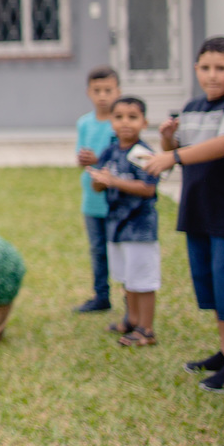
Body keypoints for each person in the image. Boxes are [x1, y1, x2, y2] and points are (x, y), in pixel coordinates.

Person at [144, 35, 224, 393]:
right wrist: (169, 140)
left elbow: (222, 143)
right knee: (213, 288)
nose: (213, 75)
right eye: (206, 67)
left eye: (221, 68)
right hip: (198, 210)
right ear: (195, 69)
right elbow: (183, 150)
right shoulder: (192, 107)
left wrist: (172, 156)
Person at [88, 96, 161, 346]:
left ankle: (146, 329)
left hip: (140, 228)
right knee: (128, 277)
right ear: (111, 122)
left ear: (145, 123)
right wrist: (99, 180)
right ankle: (132, 320)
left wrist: (114, 181)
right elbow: (98, 185)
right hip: (116, 227)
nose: (125, 123)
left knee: (143, 280)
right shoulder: (110, 151)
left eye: (133, 117)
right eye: (119, 117)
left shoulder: (142, 153)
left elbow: (148, 188)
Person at [73, 66, 120, 313]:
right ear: (88, 92)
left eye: (108, 90)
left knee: (120, 249)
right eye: (97, 90)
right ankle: (101, 296)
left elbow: (122, 159)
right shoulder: (84, 123)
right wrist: (84, 160)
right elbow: (81, 158)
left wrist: (98, 160)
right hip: (92, 200)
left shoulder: (121, 123)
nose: (102, 96)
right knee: (97, 249)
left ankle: (131, 297)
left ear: (118, 91)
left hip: (116, 200)